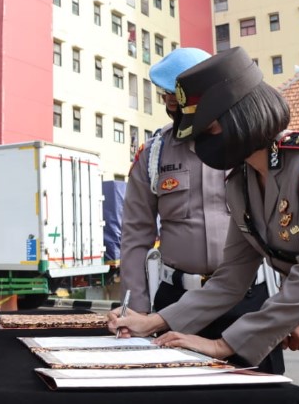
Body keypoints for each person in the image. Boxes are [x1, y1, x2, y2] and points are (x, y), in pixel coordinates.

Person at [108, 47, 299, 404]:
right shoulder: (242, 183)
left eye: (207, 127)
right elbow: (230, 279)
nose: (199, 139)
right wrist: (155, 321)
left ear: (238, 118)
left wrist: (223, 344)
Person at [120, 47, 283, 373]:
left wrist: (295, 307)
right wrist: (136, 308)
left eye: (175, 98)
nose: (169, 106)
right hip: (176, 302)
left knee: (259, 393)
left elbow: (287, 225)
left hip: (249, 300)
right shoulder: (154, 154)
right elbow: (136, 235)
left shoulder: (249, 144)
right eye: (166, 97)